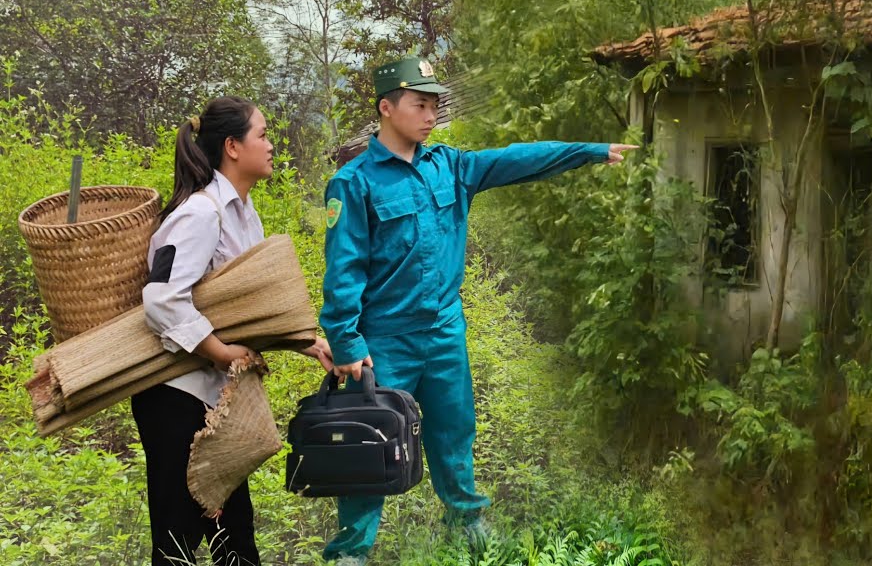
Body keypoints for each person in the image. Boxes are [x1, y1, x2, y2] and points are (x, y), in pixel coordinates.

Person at [319, 57, 637, 563]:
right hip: (385, 340)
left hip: (444, 331)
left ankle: (468, 528)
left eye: (434, 105)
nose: (430, 115)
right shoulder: (354, 183)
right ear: (386, 107)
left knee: (454, 431)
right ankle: (351, 553)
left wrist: (591, 152)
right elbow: (343, 272)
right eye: (419, 104)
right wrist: (348, 344)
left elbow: (521, 159)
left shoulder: (450, 166)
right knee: (370, 445)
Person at [135, 96, 334, 566]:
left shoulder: (245, 214)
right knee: (177, 538)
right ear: (232, 146)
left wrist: (311, 345)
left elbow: (252, 309)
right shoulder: (201, 213)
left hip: (214, 401)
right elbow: (161, 299)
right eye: (262, 135)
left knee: (233, 533)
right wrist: (221, 353)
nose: (271, 145)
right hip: (176, 397)